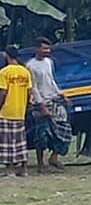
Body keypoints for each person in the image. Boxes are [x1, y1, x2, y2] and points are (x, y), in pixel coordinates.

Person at [26, 37, 72, 172]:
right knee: (41, 135)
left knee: (64, 130)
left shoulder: (48, 62)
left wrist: (62, 94)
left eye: (48, 48)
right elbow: (33, 88)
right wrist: (42, 106)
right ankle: (41, 164)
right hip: (40, 104)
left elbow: (51, 81)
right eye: (44, 48)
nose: (48, 51)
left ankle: (54, 157)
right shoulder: (30, 66)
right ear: (37, 49)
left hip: (53, 101)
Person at [0, 46, 31, 177]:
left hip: (7, 111)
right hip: (20, 111)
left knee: (7, 142)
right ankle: (24, 169)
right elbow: (29, 93)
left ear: (7, 55)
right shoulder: (25, 72)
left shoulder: (4, 72)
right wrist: (25, 105)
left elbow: (3, 92)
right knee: (20, 141)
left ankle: (10, 170)